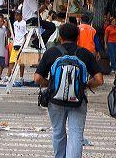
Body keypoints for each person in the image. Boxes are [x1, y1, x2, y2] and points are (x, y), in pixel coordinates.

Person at [34, 23, 103, 158]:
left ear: (60, 37)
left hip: (55, 100)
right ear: (78, 37)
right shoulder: (85, 54)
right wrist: (85, 85)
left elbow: (37, 78)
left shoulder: (51, 52)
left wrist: (50, 84)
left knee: (58, 132)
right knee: (76, 134)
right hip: (78, 100)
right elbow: (99, 80)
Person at [7, 10, 27, 83]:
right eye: (15, 15)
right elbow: (13, 33)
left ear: (21, 15)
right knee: (11, 61)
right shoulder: (15, 23)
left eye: (18, 15)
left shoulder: (24, 23)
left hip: (21, 44)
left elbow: (25, 34)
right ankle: (8, 76)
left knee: (21, 63)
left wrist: (24, 44)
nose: (16, 16)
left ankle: (21, 77)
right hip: (15, 43)